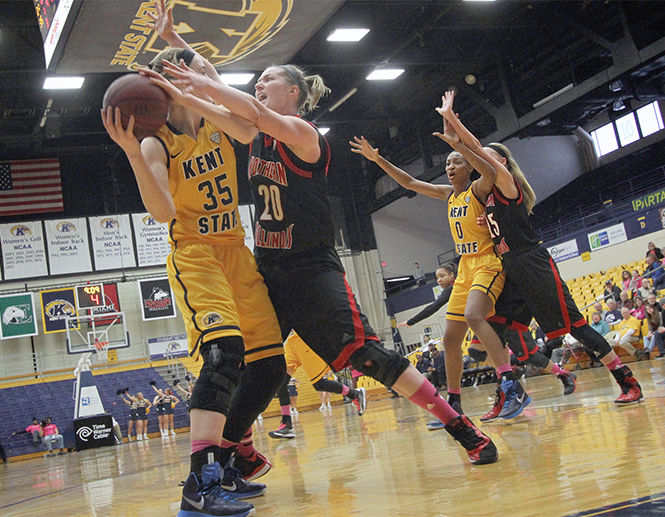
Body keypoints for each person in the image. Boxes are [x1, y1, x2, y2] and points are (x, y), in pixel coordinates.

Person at [152, 29, 498, 465]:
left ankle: (459, 426)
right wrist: (179, 47)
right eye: (256, 80)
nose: (258, 84)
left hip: (311, 270)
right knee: (257, 366)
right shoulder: (253, 132)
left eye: (268, 79)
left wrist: (201, 83)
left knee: (366, 356)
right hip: (267, 269)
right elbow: (227, 99)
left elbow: (246, 106)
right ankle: (231, 454)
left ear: (293, 91)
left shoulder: (302, 132)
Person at [105, 19, 285, 511]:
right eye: (175, 75)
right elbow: (162, 212)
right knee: (225, 356)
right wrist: (130, 151)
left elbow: (248, 128)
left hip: (236, 252)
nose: (188, 75)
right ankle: (199, 485)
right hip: (196, 255)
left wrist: (177, 47)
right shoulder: (155, 142)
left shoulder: (216, 120)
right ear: (161, 90)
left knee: (269, 366)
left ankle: (229, 463)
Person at [436, 89, 642, 406]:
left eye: (490, 157)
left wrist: (453, 127)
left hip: (532, 263)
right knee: (495, 327)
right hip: (509, 267)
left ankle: (626, 380)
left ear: (501, 162)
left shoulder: (506, 183)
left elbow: (476, 149)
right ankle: (510, 394)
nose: (482, 161)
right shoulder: (482, 194)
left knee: (578, 328)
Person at [350, 131, 528, 420]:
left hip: (487, 263)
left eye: (457, 162)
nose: (450, 166)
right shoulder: (448, 194)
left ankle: (510, 384)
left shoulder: (479, 189)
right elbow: (408, 182)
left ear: (470, 167)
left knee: (474, 316)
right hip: (465, 267)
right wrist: (377, 158)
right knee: (449, 340)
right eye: (447, 162)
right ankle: (454, 402)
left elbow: (491, 170)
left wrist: (460, 144)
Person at [269, 331, 368, 439]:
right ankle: (286, 425)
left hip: (303, 341)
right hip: (290, 344)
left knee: (319, 384)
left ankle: (354, 394)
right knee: (282, 382)